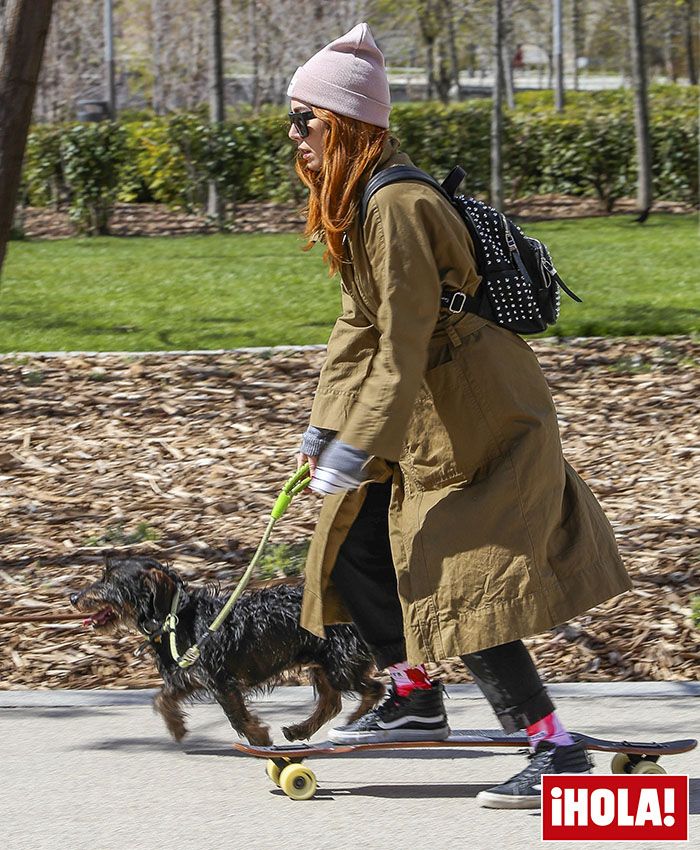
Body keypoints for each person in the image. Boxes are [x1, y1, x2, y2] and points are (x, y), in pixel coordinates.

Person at [287, 22, 631, 809]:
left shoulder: (399, 205)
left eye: (305, 120)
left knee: (458, 573)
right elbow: (357, 325)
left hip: (477, 410)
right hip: (422, 408)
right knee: (354, 547)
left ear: (344, 124)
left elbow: (402, 342)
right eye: (293, 120)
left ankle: (551, 748)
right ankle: (414, 696)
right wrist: (323, 426)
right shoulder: (362, 201)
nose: (295, 137)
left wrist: (354, 442)